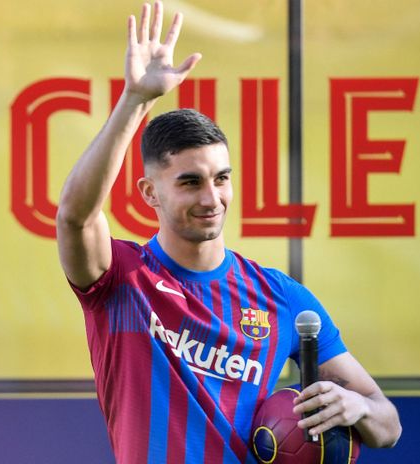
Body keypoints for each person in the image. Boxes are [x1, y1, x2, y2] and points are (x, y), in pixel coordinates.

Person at [57, 2, 402, 462]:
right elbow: (74, 218)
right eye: (189, 182)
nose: (211, 197)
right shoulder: (120, 280)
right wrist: (135, 101)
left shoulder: (282, 297)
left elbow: (387, 426)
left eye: (221, 178)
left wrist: (355, 405)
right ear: (149, 193)